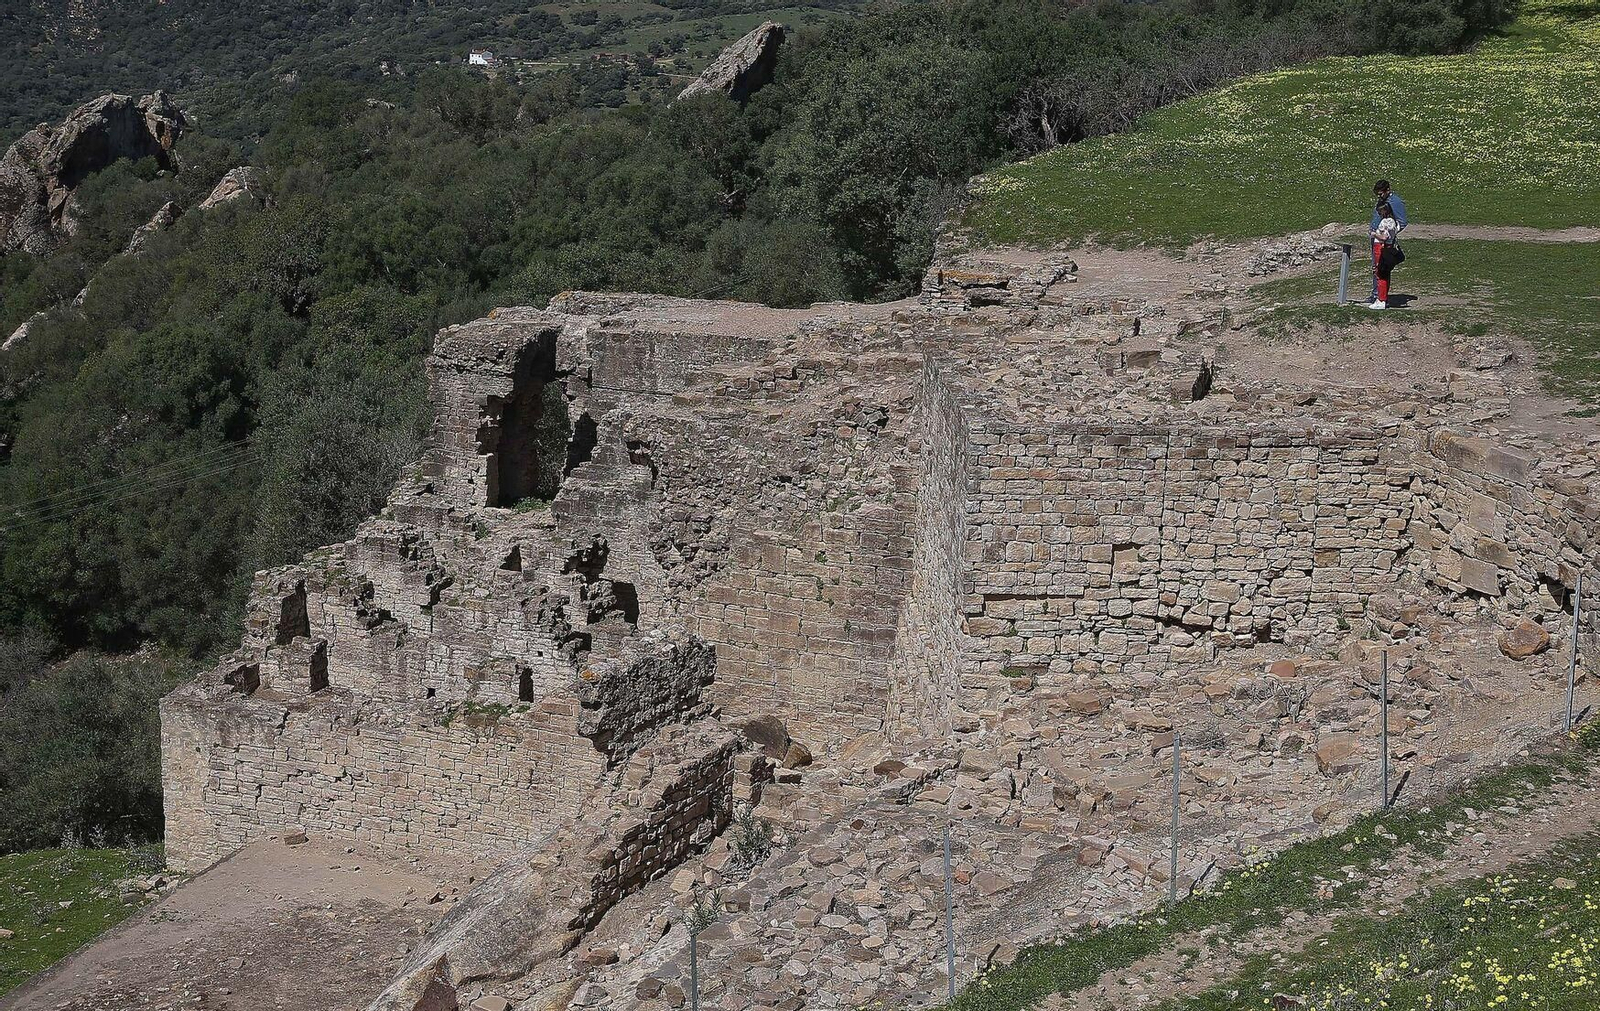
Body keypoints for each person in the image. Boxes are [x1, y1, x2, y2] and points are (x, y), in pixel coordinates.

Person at [1369, 179, 1406, 302]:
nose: (1379, 197)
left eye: (1380, 194)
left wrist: (1389, 235)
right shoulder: (1382, 201)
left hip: (1384, 241)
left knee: (1382, 268)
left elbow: (1402, 222)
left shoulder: (1395, 202)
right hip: (1376, 239)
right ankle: (1376, 294)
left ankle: (1380, 297)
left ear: (1388, 190)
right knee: (1376, 267)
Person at [1369, 201, 1403, 309]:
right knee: (1385, 273)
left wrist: (1374, 234)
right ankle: (1383, 297)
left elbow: (1384, 237)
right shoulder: (1394, 222)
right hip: (1387, 247)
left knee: (1380, 273)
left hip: (1381, 247)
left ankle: (1381, 300)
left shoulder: (1386, 222)